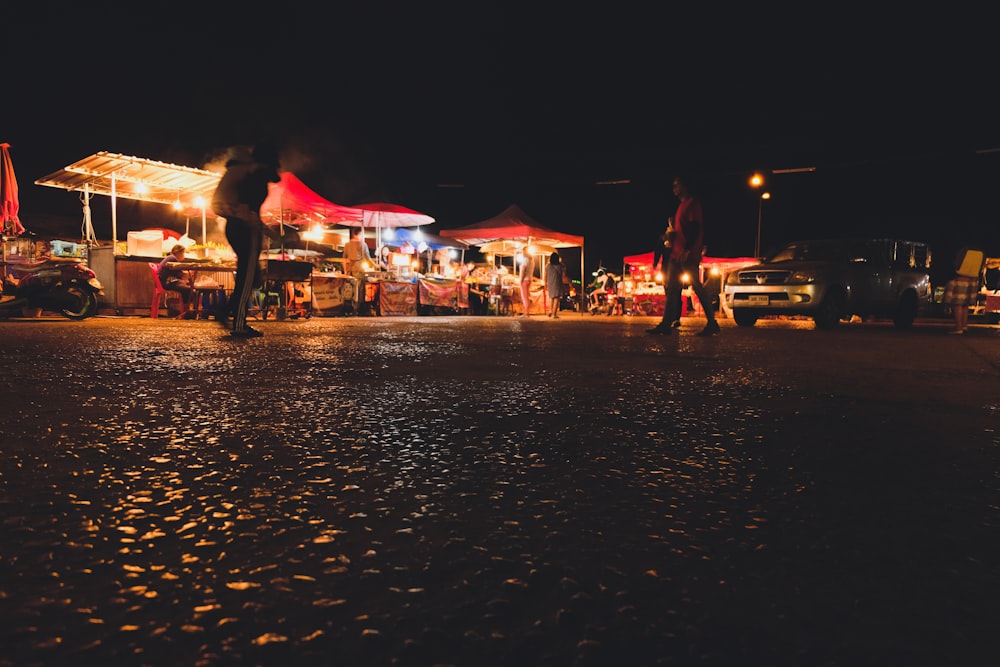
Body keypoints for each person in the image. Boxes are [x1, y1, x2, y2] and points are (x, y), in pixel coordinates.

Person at [211, 143, 281, 338]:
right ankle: (238, 323)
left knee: (251, 276)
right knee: (247, 277)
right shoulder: (254, 175)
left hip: (237, 226)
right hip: (244, 229)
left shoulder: (242, 171)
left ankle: (226, 311)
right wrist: (264, 230)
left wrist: (264, 229)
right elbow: (247, 209)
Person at [648, 174, 720, 336]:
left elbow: (695, 227)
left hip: (688, 255)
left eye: (677, 185)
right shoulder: (681, 206)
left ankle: (712, 323)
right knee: (672, 289)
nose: (674, 188)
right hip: (676, 254)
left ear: (686, 186)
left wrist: (688, 249)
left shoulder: (692, 203)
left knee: (697, 287)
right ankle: (666, 324)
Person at [651, 218, 682, 328]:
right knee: (668, 292)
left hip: (677, 267)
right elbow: (658, 250)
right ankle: (669, 318)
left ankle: (676, 318)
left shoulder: (680, 236)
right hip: (665, 267)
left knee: (677, 292)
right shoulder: (664, 237)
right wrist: (655, 263)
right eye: (671, 221)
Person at [943, 247, 982, 335]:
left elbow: (957, 263)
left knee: (957, 303)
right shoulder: (980, 251)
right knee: (965, 304)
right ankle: (964, 325)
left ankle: (958, 327)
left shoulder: (964, 249)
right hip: (973, 278)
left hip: (960, 277)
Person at [157, 243, 194, 318]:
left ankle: (186, 311)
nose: (184, 256)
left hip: (164, 281)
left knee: (186, 287)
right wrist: (191, 273)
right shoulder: (172, 259)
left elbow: (178, 274)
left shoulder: (170, 257)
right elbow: (181, 275)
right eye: (183, 253)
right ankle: (187, 312)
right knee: (188, 289)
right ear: (179, 253)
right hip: (166, 283)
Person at [343, 226, 372, 315]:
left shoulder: (347, 244)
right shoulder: (363, 244)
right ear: (359, 234)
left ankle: (349, 309)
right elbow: (368, 258)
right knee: (359, 290)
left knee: (350, 290)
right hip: (359, 269)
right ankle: (358, 310)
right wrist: (376, 265)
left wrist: (345, 271)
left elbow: (344, 259)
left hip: (350, 270)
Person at [545, 252, 565, 318]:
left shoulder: (547, 266)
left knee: (551, 297)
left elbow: (545, 275)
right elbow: (563, 275)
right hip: (557, 283)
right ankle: (554, 314)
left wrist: (545, 283)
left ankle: (550, 310)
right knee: (556, 298)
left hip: (550, 283)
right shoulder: (560, 266)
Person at [518, 251, 536, 316]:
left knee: (524, 297)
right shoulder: (532, 261)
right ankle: (527, 311)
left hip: (525, 280)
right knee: (527, 296)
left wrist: (521, 280)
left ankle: (526, 312)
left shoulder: (525, 260)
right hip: (529, 279)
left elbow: (523, 270)